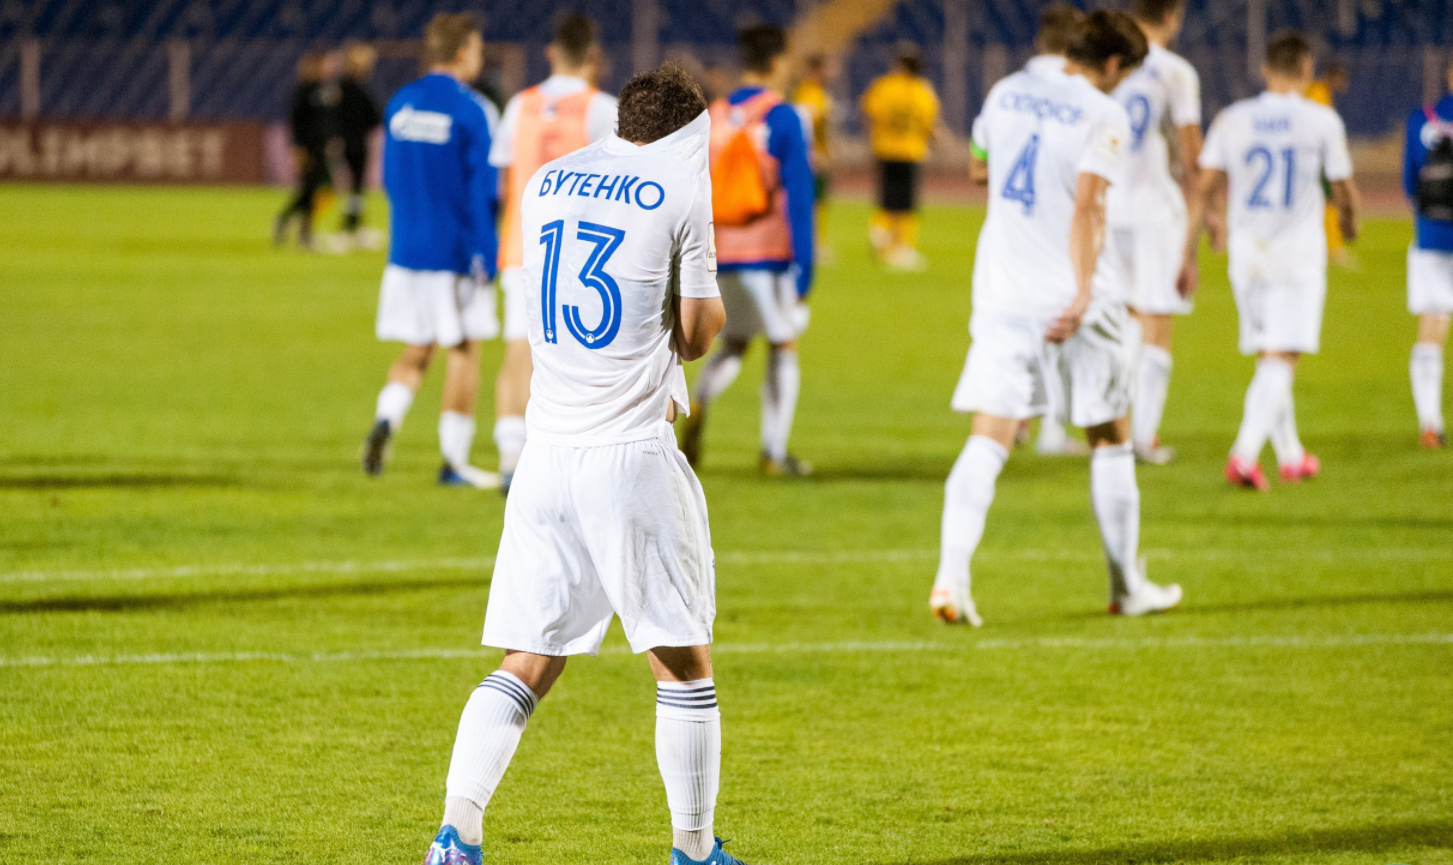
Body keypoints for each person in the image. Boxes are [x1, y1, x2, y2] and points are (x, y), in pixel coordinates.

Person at [419, 62, 749, 865]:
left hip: (546, 453)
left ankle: (454, 835)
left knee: (528, 659)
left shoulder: (550, 180)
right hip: (628, 455)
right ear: (684, 132)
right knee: (682, 663)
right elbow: (702, 332)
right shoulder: (677, 190)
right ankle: (694, 851)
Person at [931, 11, 1183, 627]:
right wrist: (1078, 291)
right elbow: (1090, 207)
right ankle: (1127, 588)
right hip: (1071, 299)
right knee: (1110, 439)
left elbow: (979, 167)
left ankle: (950, 579)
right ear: (1116, 66)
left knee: (987, 438)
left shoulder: (1006, 91)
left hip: (1001, 291)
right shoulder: (1104, 112)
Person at [1185, 31, 1360, 490]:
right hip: (1296, 258)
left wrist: (1188, 252)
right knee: (1282, 358)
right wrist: (1351, 222)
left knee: (1271, 355)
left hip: (1246, 256)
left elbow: (1203, 187)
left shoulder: (1232, 119)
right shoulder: (1321, 121)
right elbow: (1343, 188)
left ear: (1264, 69)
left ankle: (1291, 455)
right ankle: (1243, 456)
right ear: (1306, 71)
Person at [360, 14, 502, 488]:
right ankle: (454, 462)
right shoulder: (473, 109)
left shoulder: (401, 103)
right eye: (478, 50)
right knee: (464, 352)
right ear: (462, 52)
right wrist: (489, 253)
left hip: (406, 252)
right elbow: (483, 191)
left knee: (417, 349)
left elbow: (390, 179)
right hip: (455, 254)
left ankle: (387, 418)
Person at [488, 14, 619, 493]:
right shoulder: (603, 108)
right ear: (593, 58)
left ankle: (509, 457)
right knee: (586, 357)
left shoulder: (519, 105)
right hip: (583, 254)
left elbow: (500, 181)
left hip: (522, 248)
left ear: (551, 52)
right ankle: (579, 458)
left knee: (518, 350)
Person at [682, 24, 816, 476]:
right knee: (784, 344)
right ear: (778, 62)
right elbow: (799, 198)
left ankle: (698, 404)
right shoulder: (783, 117)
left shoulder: (713, 114)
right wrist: (806, 268)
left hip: (718, 253)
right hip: (768, 253)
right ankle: (774, 453)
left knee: (734, 341)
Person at [1106, 0, 1212, 465]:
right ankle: (1143, 436)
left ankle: (1111, 423)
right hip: (1153, 209)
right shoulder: (1174, 72)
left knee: (1123, 316)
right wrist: (1211, 211)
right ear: (1172, 16)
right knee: (1157, 318)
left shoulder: (1108, 63)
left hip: (1107, 205)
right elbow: (1194, 158)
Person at [1016, 1, 1090, 458]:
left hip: (1012, 231)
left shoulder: (1007, 90)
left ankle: (1018, 414)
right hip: (1057, 230)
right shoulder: (1080, 97)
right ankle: (1052, 432)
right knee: (1064, 330)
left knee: (1022, 329)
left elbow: (979, 166)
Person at [1400, 57, 1453, 449]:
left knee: (1432, 326)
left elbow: (1409, 184)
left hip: (1431, 238)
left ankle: (1430, 423)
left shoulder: (1422, 120)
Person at [860, 43, 941, 271]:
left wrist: (873, 137)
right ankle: (901, 247)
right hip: (911, 150)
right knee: (905, 203)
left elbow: (869, 113)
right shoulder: (924, 91)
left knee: (886, 198)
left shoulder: (884, 86)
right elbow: (929, 124)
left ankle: (881, 235)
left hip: (885, 148)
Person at [274, 51, 339, 249]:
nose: (331, 67)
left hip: (321, 147)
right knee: (309, 190)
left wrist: (331, 141)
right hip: (307, 148)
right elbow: (296, 122)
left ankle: (290, 222)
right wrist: (296, 148)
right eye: (327, 64)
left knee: (313, 190)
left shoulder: (326, 90)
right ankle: (303, 232)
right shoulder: (303, 90)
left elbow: (327, 121)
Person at [336, 42, 383, 250]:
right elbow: (372, 117)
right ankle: (349, 228)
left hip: (350, 142)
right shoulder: (355, 90)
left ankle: (353, 226)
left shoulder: (342, 88)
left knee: (355, 188)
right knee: (355, 188)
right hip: (355, 143)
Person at [1307, 61, 1353, 265]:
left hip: (1317, 156)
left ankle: (1329, 247)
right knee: (1329, 199)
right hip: (1318, 157)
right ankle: (1333, 248)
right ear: (1334, 77)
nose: (1345, 84)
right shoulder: (1318, 92)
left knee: (1324, 200)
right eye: (1342, 78)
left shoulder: (1320, 91)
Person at [793, 53, 836, 262]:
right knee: (811, 201)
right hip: (812, 157)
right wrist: (812, 153)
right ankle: (810, 245)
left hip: (818, 155)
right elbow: (805, 126)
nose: (832, 72)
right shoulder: (809, 94)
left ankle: (816, 243)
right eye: (827, 68)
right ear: (816, 70)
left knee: (818, 201)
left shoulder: (817, 93)